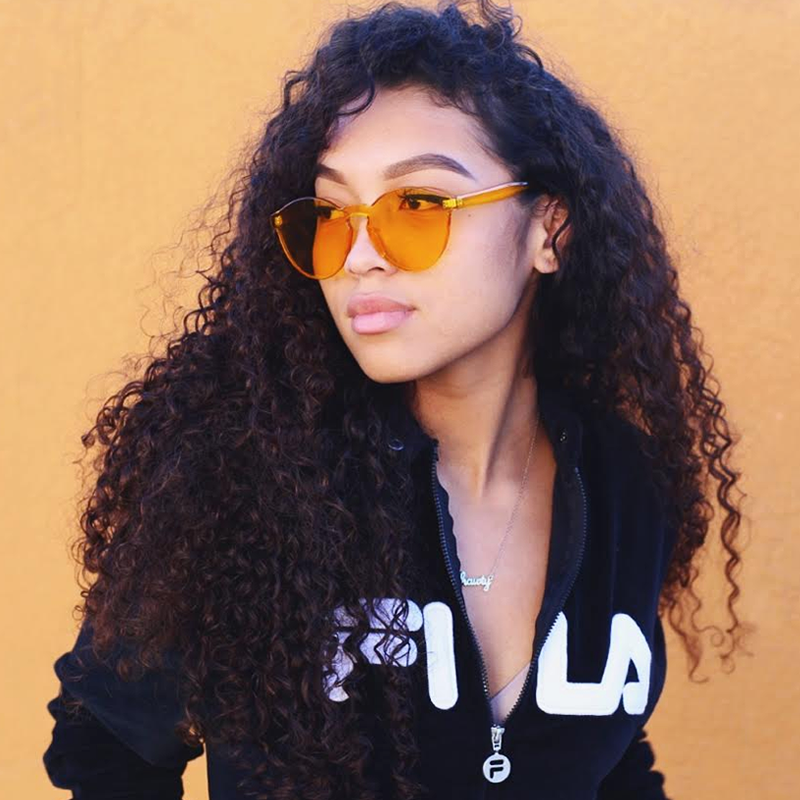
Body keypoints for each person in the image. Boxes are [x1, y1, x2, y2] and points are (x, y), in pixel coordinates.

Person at [42, 1, 747, 798]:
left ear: (549, 231)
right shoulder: (249, 477)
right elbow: (107, 747)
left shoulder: (622, 485)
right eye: (332, 215)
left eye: (417, 207)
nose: (361, 256)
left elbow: (612, 764)